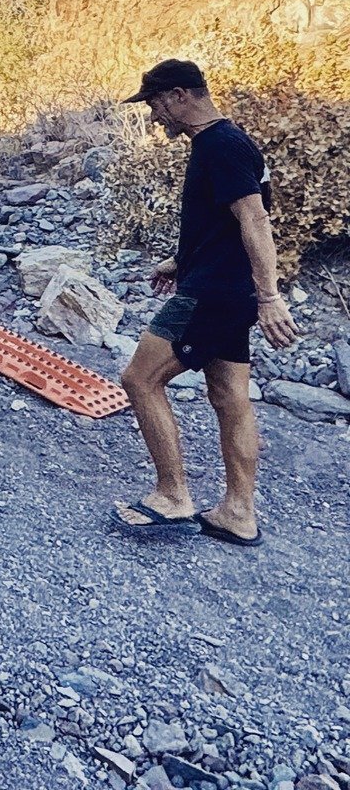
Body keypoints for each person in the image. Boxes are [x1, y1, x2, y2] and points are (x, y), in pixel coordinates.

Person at [112, 59, 298, 546]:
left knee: (139, 378)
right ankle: (238, 513)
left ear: (178, 95)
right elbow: (225, 221)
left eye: (154, 103)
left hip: (215, 294)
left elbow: (256, 220)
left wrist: (271, 298)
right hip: (223, 286)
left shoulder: (220, 146)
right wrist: (182, 259)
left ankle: (173, 496)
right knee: (229, 396)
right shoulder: (226, 141)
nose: (154, 116)